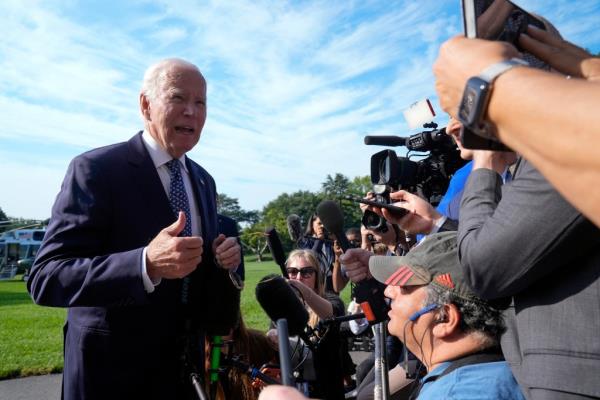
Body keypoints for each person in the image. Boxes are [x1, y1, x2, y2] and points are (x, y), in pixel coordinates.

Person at [27, 58, 242, 400]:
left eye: (200, 102)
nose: (191, 111)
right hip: (111, 377)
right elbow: (46, 277)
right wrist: (144, 264)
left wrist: (223, 264)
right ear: (146, 104)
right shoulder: (96, 170)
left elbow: (195, 285)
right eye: (178, 98)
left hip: (184, 377)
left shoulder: (203, 181)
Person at [433, 27, 600, 228]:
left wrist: (497, 87)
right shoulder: (460, 196)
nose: (450, 128)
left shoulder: (549, 168)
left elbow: (482, 256)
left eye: (466, 106)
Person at [341, 232, 526, 400]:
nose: (389, 291)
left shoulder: (453, 394)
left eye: (404, 287)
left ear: (444, 319)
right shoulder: (495, 373)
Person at [268, 249, 347, 399]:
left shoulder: (331, 300)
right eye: (292, 271)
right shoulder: (281, 307)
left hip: (325, 390)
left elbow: (331, 314)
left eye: (306, 272)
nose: (298, 277)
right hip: (292, 387)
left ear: (317, 276)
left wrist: (304, 292)